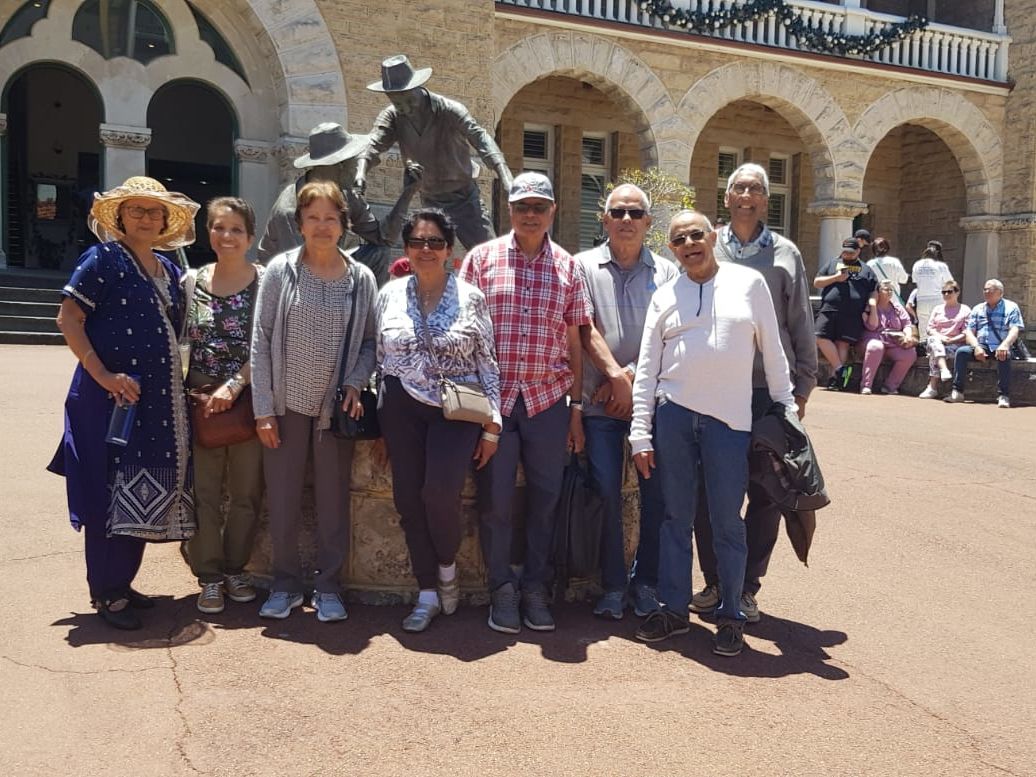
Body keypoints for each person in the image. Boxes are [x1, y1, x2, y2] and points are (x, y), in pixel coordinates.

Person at [630, 210, 795, 657]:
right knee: (674, 519)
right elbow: (647, 369)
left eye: (696, 235)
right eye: (680, 239)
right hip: (674, 416)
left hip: (729, 422)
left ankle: (730, 615)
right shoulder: (665, 295)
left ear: (713, 236)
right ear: (672, 249)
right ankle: (674, 609)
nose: (689, 244)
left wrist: (788, 409)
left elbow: (774, 352)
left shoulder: (749, 284)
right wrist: (640, 434)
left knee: (727, 522)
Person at [48, 176, 200, 630]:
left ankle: (122, 581)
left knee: (137, 488)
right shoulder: (102, 260)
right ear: (119, 217)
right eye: (136, 210)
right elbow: (68, 318)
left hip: (153, 405)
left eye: (154, 212)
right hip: (108, 402)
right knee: (106, 488)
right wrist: (103, 375)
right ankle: (106, 591)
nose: (146, 218)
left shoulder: (169, 271)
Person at [460, 171, 591, 634]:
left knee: (546, 499)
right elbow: (464, 334)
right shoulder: (481, 261)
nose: (530, 215)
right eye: (522, 207)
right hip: (495, 403)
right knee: (495, 500)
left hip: (548, 400)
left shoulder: (569, 267)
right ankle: (502, 588)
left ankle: (535, 586)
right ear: (509, 211)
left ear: (552, 210)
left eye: (539, 207)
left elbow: (575, 341)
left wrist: (576, 407)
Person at [690, 162, 818, 624]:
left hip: (766, 391)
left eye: (755, 189)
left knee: (766, 492)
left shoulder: (785, 254)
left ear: (766, 199)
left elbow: (800, 321)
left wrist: (802, 385)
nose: (746, 195)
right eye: (738, 187)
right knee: (711, 491)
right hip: (715, 389)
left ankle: (746, 587)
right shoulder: (707, 245)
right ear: (726, 198)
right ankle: (715, 581)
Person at [251, 181, 378, 621]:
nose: (322, 226)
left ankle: (328, 586)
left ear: (343, 224)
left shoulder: (361, 279)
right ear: (299, 224)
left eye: (330, 218)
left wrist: (356, 383)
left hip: (334, 408)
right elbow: (261, 340)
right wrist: (263, 409)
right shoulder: (279, 271)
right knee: (283, 498)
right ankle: (285, 585)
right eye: (313, 218)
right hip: (286, 405)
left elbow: (369, 343)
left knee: (333, 501)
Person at [375, 209, 502, 632]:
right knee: (408, 499)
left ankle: (447, 565)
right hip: (400, 406)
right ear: (406, 248)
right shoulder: (389, 294)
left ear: (449, 249)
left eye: (434, 242)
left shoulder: (471, 297)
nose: (425, 250)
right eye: (417, 242)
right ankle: (427, 590)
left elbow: (487, 362)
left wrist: (493, 426)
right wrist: (380, 425)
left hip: (456, 407)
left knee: (439, 491)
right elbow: (379, 356)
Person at [574, 184, 679, 620]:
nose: (626, 219)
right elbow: (582, 327)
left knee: (659, 493)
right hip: (599, 404)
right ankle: (613, 585)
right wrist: (614, 378)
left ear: (649, 223)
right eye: (617, 211)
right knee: (605, 492)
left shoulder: (670, 274)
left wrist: (629, 380)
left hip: (651, 404)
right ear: (604, 219)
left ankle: (646, 581)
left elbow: (672, 333)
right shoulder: (580, 267)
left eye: (636, 212)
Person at [183, 198, 265, 614]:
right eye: (218, 227)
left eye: (235, 229)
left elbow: (266, 344)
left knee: (247, 491)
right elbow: (183, 341)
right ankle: (210, 576)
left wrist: (235, 385)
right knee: (206, 492)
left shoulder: (265, 282)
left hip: (247, 397)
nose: (226, 236)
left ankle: (236, 568)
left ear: (250, 236)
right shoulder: (192, 280)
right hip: (200, 400)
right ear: (208, 232)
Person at [356, 55, 514, 250]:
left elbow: (480, 137)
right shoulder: (393, 116)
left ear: (416, 88)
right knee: (426, 256)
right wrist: (360, 173)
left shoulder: (448, 110)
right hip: (429, 199)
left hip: (464, 199)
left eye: (408, 101)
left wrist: (505, 176)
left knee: (489, 255)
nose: (405, 109)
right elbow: (373, 144)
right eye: (398, 104)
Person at [256, 122, 420, 284]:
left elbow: (382, 239)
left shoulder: (346, 194)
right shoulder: (290, 210)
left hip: (329, 266)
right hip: (287, 282)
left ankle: (369, 310)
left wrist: (407, 193)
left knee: (379, 253)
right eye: (354, 162)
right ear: (340, 165)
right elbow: (301, 271)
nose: (358, 169)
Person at [945, 279, 1025, 408]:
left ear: (1000, 292)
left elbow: (1015, 329)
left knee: (1005, 356)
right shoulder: (978, 309)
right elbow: (969, 332)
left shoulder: (1011, 307)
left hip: (1001, 344)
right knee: (961, 352)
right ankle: (957, 391)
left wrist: (1005, 345)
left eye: (990, 290)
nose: (986, 292)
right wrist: (976, 347)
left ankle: (1003, 395)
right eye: (985, 289)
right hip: (982, 345)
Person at [814, 237, 877, 390]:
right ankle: (840, 369)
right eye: (845, 252)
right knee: (819, 336)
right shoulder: (832, 263)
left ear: (858, 251)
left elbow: (874, 290)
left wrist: (869, 309)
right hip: (830, 308)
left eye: (851, 252)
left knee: (842, 343)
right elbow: (817, 282)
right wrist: (836, 278)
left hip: (852, 312)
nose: (847, 255)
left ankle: (835, 380)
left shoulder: (866, 269)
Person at [858, 279, 917, 395]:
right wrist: (873, 305)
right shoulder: (868, 307)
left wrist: (908, 335)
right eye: (886, 289)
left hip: (893, 342)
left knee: (910, 353)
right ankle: (866, 385)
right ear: (878, 291)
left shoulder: (897, 307)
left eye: (891, 289)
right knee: (876, 346)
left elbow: (907, 324)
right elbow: (872, 326)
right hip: (872, 341)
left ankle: (890, 386)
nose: (890, 292)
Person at [919, 281, 971, 399]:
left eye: (949, 292)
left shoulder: (965, 310)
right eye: (944, 292)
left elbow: (967, 332)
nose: (946, 294)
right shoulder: (937, 309)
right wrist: (941, 338)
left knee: (935, 352)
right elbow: (930, 328)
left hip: (954, 344)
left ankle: (932, 387)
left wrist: (951, 340)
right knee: (934, 341)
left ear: (957, 293)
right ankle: (943, 369)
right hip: (937, 341)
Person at [911, 240, 954, 339]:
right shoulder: (941, 266)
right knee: (938, 326)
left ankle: (924, 349)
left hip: (921, 299)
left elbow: (915, 280)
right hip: (937, 299)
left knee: (923, 327)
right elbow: (949, 282)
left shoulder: (917, 265)